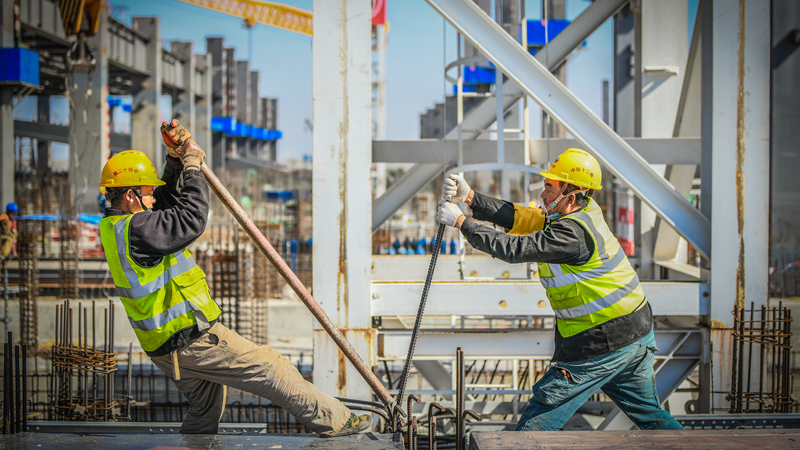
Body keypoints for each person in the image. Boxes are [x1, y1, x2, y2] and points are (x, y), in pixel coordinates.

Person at [97, 120, 371, 436]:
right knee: (271, 368)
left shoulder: (117, 227)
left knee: (206, 406)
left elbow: (169, 203)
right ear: (131, 195)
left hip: (164, 347)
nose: (154, 198)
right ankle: (336, 421)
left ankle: (195, 443)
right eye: (148, 193)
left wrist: (175, 159)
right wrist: (193, 168)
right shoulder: (141, 228)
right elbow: (190, 218)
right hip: (191, 339)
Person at [435, 148, 683, 431]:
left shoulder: (571, 235)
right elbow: (523, 219)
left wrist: (461, 223)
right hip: (635, 333)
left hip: (602, 339)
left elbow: (515, 249)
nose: (543, 194)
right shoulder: (581, 214)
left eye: (550, 188)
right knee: (652, 419)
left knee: (537, 422)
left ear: (571, 194)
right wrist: (471, 199)